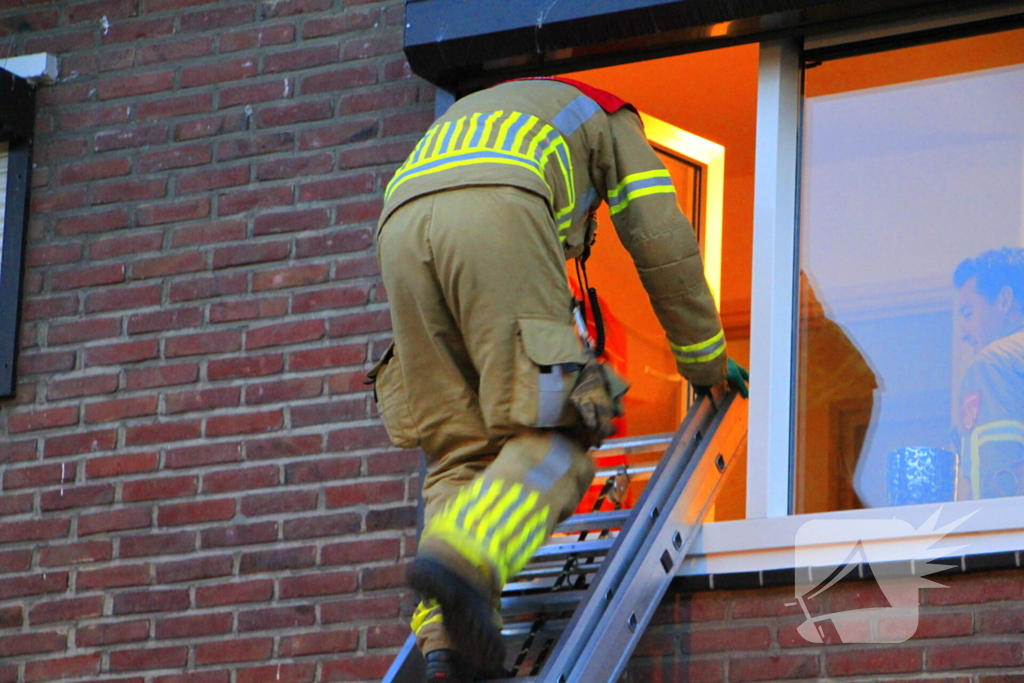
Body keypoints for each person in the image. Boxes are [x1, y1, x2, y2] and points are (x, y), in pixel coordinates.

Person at [369, 77, 748, 681]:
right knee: (561, 434)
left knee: (458, 454)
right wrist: (704, 360)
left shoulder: (499, 110)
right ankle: (468, 556)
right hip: (499, 210)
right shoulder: (615, 119)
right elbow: (661, 240)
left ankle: (445, 647)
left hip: (399, 225)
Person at [953, 247, 1024, 500]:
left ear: (1004, 300)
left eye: (968, 313)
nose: (963, 332)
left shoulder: (995, 362)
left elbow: (996, 474)